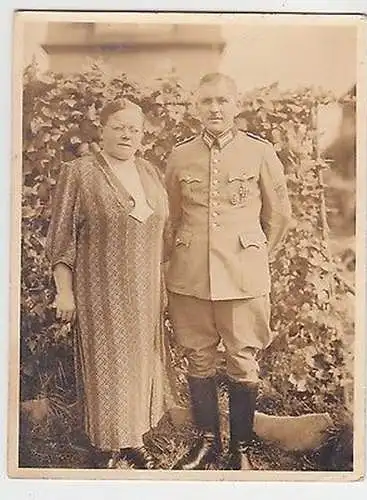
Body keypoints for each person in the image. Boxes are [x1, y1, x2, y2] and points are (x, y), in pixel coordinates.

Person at [164, 73, 292, 470]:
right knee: (198, 358)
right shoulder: (180, 156)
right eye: (206, 102)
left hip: (242, 277)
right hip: (190, 276)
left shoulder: (259, 153)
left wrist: (254, 257)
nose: (215, 108)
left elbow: (280, 216)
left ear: (236, 105)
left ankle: (241, 448)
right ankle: (206, 443)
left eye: (222, 101)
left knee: (243, 359)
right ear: (195, 107)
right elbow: (171, 219)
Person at [46, 98, 174, 469]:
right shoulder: (80, 172)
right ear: (101, 130)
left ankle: (133, 441)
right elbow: (61, 238)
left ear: (142, 135)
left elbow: (163, 234)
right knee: (106, 367)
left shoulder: (149, 172)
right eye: (118, 126)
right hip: (99, 291)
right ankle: (105, 449)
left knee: (139, 366)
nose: (126, 134)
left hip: (146, 292)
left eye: (134, 128)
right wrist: (64, 291)